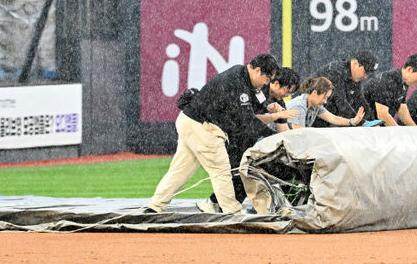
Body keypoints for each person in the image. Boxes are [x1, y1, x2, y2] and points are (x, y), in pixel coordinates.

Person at [145, 53, 279, 214]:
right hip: (203, 127)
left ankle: (155, 206)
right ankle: (233, 213)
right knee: (221, 170)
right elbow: (247, 120)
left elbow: (250, 104)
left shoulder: (239, 73)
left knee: (180, 170)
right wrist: (275, 137)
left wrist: (267, 107)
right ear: (258, 71)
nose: (266, 83)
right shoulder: (238, 83)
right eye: (267, 78)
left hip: (188, 120)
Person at [199, 67, 300, 213]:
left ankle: (222, 205)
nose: (286, 95)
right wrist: (273, 117)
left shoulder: (280, 104)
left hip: (251, 141)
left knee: (247, 175)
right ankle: (214, 203)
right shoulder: (257, 92)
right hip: (235, 137)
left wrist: (291, 144)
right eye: (287, 91)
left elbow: (283, 131)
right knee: (233, 174)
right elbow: (250, 120)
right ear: (276, 84)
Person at [362, 53, 417, 126]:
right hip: (361, 128)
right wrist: (399, 133)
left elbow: (402, 110)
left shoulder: (403, 83)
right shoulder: (387, 81)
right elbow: (382, 115)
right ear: (409, 69)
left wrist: (414, 128)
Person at [311, 49, 378, 127]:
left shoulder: (355, 77)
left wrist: (373, 122)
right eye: (365, 72)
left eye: (369, 74)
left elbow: (360, 102)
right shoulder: (335, 73)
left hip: (323, 118)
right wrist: (363, 123)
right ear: (355, 64)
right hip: (308, 118)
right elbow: (341, 104)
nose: (366, 77)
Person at [285, 76, 364, 128]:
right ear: (315, 93)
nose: (325, 102)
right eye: (324, 97)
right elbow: (299, 133)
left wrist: (352, 121)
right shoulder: (298, 107)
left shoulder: (315, 105)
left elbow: (333, 118)